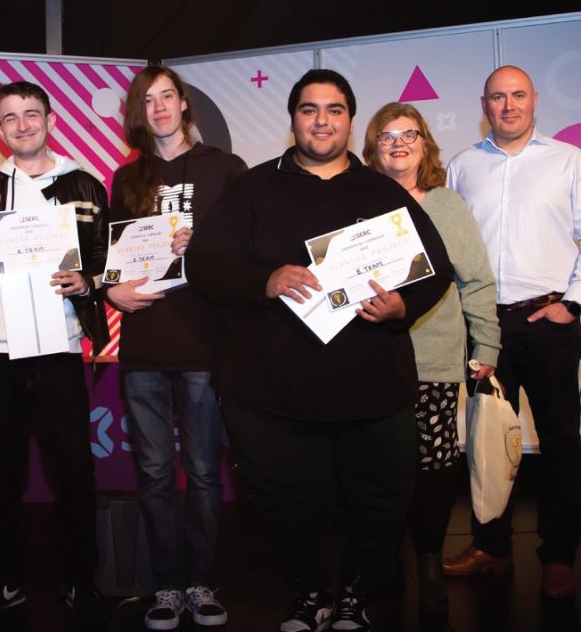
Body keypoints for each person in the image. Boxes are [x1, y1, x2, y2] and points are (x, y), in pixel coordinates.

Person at [187, 69, 454, 632]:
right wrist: (265, 280)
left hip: (370, 384)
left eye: (334, 110)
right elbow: (205, 263)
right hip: (271, 389)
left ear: (350, 120)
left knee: (376, 498)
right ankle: (309, 592)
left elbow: (435, 269)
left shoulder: (384, 192)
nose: (321, 120)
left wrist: (400, 308)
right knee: (290, 502)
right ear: (293, 120)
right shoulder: (253, 188)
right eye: (309, 110)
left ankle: (356, 592)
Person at [443, 65, 581, 599]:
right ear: (484, 103)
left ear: (534, 100)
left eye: (518, 95)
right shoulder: (462, 165)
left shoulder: (570, 160)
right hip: (484, 325)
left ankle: (559, 557)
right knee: (487, 441)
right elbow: (447, 245)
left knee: (561, 443)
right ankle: (491, 546)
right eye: (498, 97)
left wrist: (572, 303)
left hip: (547, 321)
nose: (509, 105)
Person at [0, 81, 109, 618]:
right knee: (0, 471)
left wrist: (86, 282)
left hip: (60, 347)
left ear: (49, 118)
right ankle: (8, 574)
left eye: (31, 114)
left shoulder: (85, 185)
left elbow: (103, 263)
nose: (21, 125)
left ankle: (80, 578)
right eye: (10, 118)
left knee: (74, 472)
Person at [107, 65, 247, 630]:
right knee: (155, 474)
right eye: (149, 101)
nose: (160, 108)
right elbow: (114, 257)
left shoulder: (226, 169)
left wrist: (203, 243)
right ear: (139, 113)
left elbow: (242, 251)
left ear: (185, 104)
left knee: (205, 473)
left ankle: (200, 581)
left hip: (203, 342)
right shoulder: (127, 177)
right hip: (144, 342)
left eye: (168, 97)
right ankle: (166, 585)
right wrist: (114, 292)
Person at [363, 102, 501, 612]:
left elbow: (478, 281)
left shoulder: (447, 206)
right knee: (377, 466)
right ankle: (386, 561)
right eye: (387, 136)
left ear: (426, 144)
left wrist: (487, 345)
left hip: (434, 357)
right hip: (368, 358)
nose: (398, 143)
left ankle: (427, 558)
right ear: (373, 147)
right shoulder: (356, 205)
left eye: (409, 134)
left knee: (433, 464)